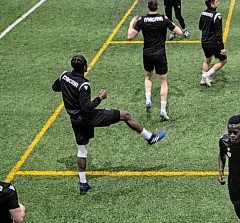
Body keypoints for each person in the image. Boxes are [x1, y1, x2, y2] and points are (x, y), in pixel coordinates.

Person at [52, 54, 167, 194]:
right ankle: (150, 137)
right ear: (84, 67)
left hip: (75, 120)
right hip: (88, 117)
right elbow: (86, 107)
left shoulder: (64, 76)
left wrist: (68, 92)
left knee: (82, 150)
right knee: (125, 115)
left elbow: (55, 88)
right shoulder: (84, 85)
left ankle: (83, 183)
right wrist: (100, 98)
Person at [128, 0, 183, 120]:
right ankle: (163, 111)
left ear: (148, 7)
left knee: (148, 76)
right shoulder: (163, 19)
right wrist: (170, 23)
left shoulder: (142, 20)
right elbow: (179, 32)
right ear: (158, 7)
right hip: (160, 54)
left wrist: (131, 23)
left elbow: (130, 36)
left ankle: (148, 100)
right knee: (163, 82)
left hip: (147, 53)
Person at [199, 0, 227, 87]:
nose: (218, 2)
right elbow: (219, 34)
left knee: (207, 59)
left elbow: (200, 27)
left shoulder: (202, 13)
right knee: (223, 60)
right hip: (213, 43)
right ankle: (206, 75)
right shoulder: (217, 16)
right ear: (212, 3)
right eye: (216, 1)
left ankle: (203, 80)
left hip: (204, 42)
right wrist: (222, 48)